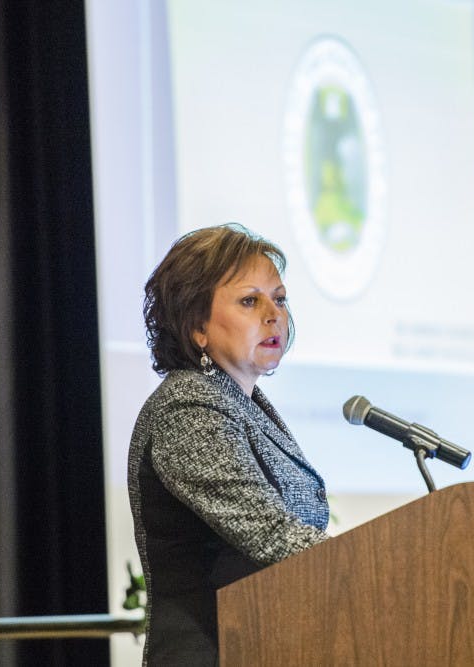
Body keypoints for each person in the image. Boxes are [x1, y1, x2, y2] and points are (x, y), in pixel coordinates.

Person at [128, 223, 331, 665]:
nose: (274, 314)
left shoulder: (244, 405)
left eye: (279, 299)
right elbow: (269, 534)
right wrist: (379, 565)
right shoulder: (188, 407)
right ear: (197, 325)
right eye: (249, 300)